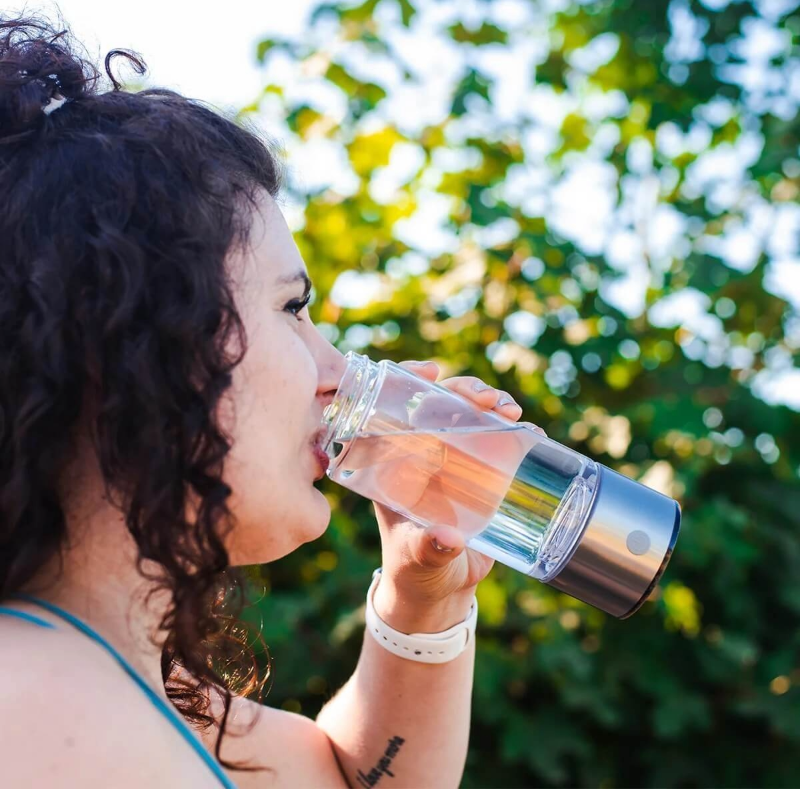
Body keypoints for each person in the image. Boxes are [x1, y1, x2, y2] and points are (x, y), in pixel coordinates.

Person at [0, 15, 532, 789]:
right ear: (138, 341)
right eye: (292, 310)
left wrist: (422, 603)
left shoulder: (128, 688)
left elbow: (359, 781)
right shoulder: (36, 704)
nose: (338, 372)